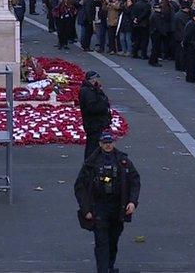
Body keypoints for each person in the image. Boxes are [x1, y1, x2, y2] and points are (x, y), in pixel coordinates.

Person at [74, 132, 140, 273]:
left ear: (114, 143)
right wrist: (86, 209)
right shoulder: (91, 163)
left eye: (110, 142)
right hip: (99, 206)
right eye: (105, 142)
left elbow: (135, 181)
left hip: (117, 207)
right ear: (100, 144)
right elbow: (80, 187)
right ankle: (103, 270)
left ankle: (109, 265)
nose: (108, 145)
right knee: (101, 242)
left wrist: (133, 202)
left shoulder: (123, 161)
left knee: (113, 239)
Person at [79, 71, 111, 159]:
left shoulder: (91, 89)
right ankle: (90, 164)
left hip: (95, 123)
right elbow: (92, 108)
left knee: (94, 145)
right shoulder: (88, 91)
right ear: (92, 80)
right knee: (93, 146)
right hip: (94, 123)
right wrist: (103, 104)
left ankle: (92, 163)